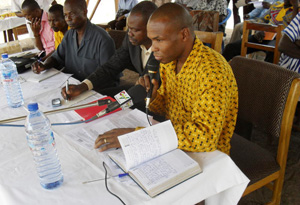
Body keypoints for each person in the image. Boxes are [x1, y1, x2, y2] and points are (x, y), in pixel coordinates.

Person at [95, 3, 238, 155]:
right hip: (172, 139)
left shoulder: (213, 72)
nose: (153, 48)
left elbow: (205, 137)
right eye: (151, 40)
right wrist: (154, 96)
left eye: (159, 40)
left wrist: (137, 136)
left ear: (183, 35)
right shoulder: (169, 61)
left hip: (206, 154)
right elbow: (167, 108)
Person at [60, 1, 158, 99]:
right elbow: (111, 66)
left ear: (152, 28)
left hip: (159, 99)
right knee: (104, 97)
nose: (129, 34)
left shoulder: (163, 51)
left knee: (120, 103)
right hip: (140, 89)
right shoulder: (131, 40)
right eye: (129, 28)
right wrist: (82, 86)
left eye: (136, 30)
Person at [31, 0, 115, 82]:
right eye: (65, 15)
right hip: (72, 83)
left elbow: (108, 74)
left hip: (95, 88)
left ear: (84, 12)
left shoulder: (102, 39)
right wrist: (44, 65)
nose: (68, 19)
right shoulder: (69, 35)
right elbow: (57, 57)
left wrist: (83, 87)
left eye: (72, 14)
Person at [222, 0, 299, 63]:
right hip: (263, 36)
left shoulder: (297, 12)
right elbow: (263, 19)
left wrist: (295, 7)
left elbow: (293, 28)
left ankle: (263, 77)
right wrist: (259, 29)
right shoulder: (276, 6)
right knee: (230, 48)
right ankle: (219, 69)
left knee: (273, 53)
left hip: (279, 40)